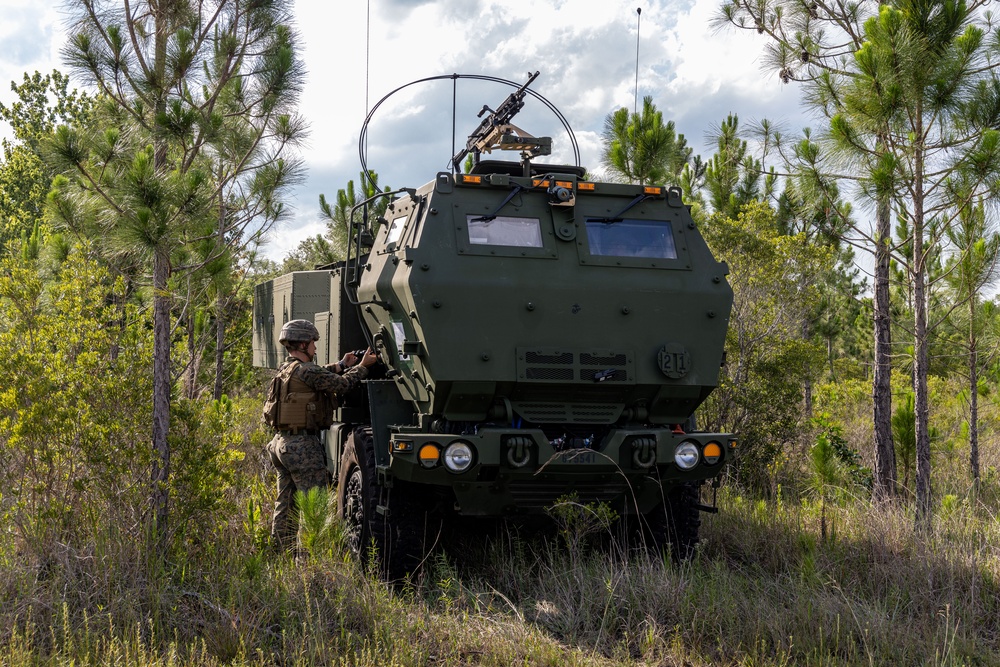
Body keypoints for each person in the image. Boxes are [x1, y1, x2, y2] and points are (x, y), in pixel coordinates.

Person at [265, 318, 377, 552]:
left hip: (281, 444)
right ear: (304, 344)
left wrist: (341, 363)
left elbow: (318, 374)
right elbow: (342, 385)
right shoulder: (307, 370)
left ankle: (279, 555)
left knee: (284, 505)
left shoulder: (287, 368)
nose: (315, 347)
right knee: (312, 507)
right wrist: (363, 366)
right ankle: (309, 562)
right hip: (302, 447)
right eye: (313, 343)